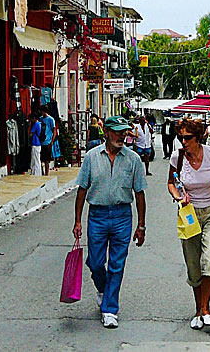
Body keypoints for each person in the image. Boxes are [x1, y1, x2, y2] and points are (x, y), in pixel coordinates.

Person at [73, 116, 147, 329]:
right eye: (116, 131)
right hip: (96, 215)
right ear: (106, 133)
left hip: (122, 216)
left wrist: (141, 225)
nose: (121, 136)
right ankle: (103, 289)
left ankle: (110, 309)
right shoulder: (91, 157)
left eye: (124, 131)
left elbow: (140, 193)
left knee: (117, 264)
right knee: (95, 262)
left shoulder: (133, 159)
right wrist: (77, 220)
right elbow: (82, 189)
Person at [167, 118, 210, 329]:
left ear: (198, 137)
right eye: (181, 138)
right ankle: (199, 309)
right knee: (193, 266)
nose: (184, 142)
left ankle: (206, 308)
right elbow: (171, 183)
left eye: (188, 138)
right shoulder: (177, 157)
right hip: (189, 215)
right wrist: (179, 196)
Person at [39, 105, 57, 175]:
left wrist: (52, 141)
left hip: (47, 141)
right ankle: (42, 172)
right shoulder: (40, 119)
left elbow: (54, 130)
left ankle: (46, 173)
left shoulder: (50, 119)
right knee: (40, 159)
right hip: (41, 141)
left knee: (47, 160)